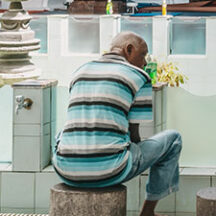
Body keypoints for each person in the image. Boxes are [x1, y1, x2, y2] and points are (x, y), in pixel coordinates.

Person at [52, 32, 182, 216]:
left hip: (65, 170)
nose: (145, 62)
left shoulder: (79, 72)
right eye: (143, 55)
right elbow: (134, 135)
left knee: (63, 133)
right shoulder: (138, 76)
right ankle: (147, 212)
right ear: (128, 49)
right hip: (112, 170)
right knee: (174, 139)